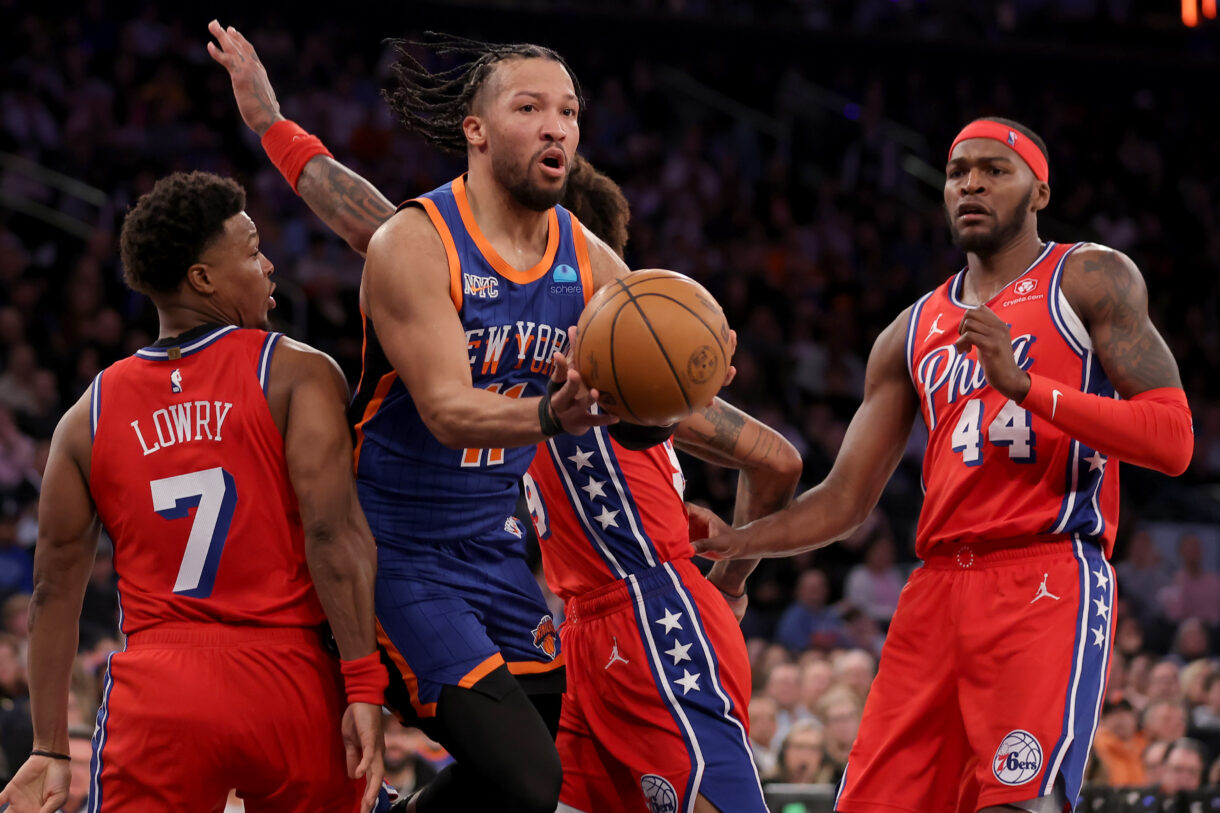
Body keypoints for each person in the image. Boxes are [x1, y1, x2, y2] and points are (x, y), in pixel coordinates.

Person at [209, 23, 794, 813]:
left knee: (540, 744)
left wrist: (671, 394)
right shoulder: (416, 240)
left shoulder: (592, 266)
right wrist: (271, 124)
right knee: (529, 777)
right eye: (531, 107)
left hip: (495, 550)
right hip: (392, 545)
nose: (557, 124)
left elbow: (661, 424)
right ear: (476, 131)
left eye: (570, 111)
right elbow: (448, 410)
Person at [696, 117, 1194, 812]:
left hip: (1045, 572)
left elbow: (1173, 438)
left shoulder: (1089, 276)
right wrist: (740, 539)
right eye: (959, 171)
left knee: (1019, 802)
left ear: (1039, 190)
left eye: (995, 169)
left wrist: (1029, 388)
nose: (972, 184)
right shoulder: (910, 327)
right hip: (934, 590)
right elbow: (843, 499)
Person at [0, 172, 385, 812]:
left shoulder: (85, 415)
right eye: (252, 249)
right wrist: (364, 684)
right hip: (288, 678)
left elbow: (53, 590)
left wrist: (48, 746)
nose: (268, 266)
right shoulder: (298, 371)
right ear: (203, 279)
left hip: (158, 691)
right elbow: (333, 536)